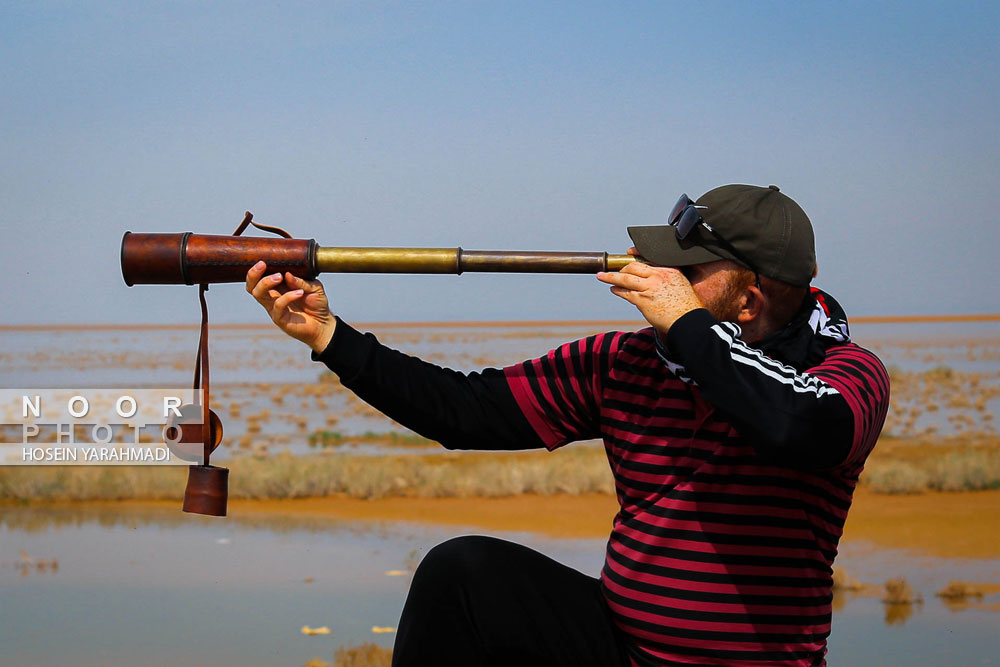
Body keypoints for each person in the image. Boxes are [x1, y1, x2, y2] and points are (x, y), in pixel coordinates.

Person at [246, 184, 889, 667]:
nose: (658, 279)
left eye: (686, 272)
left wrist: (691, 327)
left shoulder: (848, 375)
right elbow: (463, 409)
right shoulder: (626, 362)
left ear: (749, 300)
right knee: (462, 572)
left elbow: (799, 427)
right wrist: (328, 337)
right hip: (619, 649)